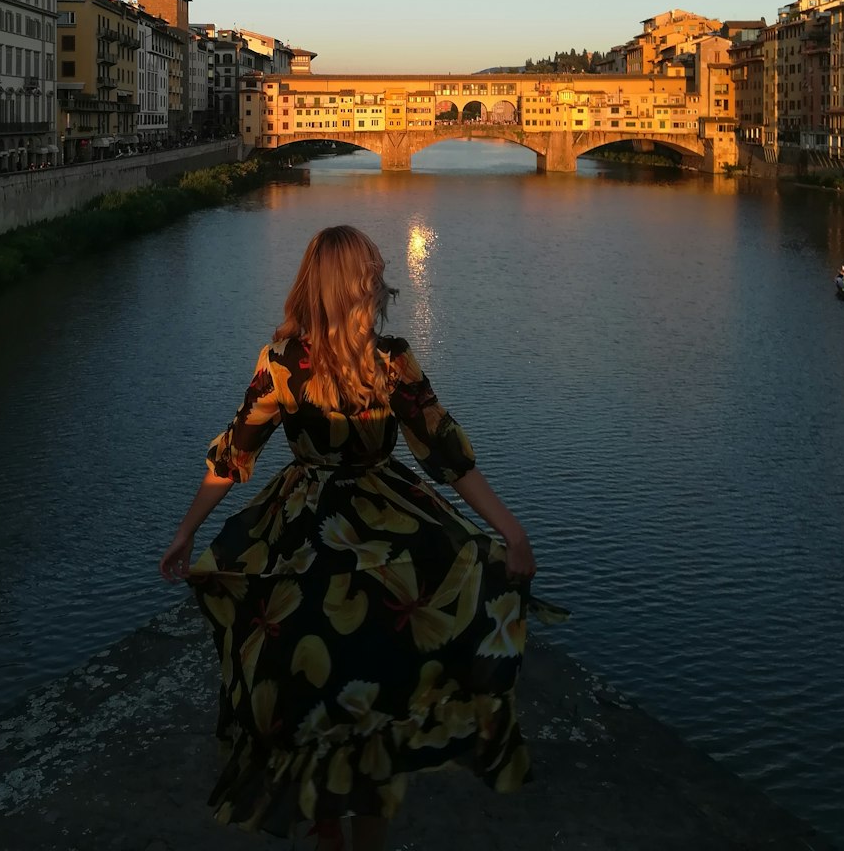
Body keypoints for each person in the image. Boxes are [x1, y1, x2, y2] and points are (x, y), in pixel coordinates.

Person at [160, 225, 566, 850]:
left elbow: (236, 455)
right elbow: (444, 456)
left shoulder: (326, 363)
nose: (380, 280)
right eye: (371, 272)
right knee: (344, 696)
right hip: (356, 532)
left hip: (315, 534)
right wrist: (186, 532)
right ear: (350, 284)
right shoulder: (351, 362)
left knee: (342, 696)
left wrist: (511, 532)